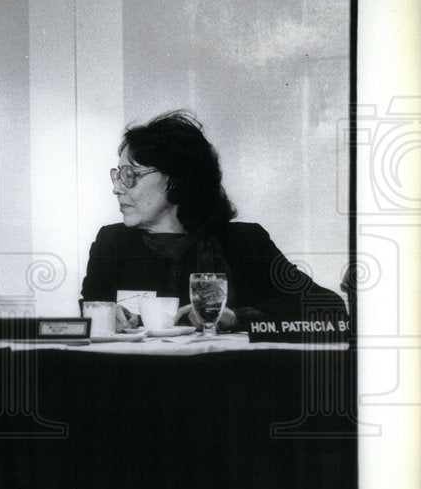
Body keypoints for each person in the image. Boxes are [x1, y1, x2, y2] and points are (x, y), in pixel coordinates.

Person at [80, 111, 347, 331]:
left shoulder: (244, 243)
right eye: (118, 175)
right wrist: (103, 316)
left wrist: (236, 318)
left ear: (175, 179)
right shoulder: (111, 244)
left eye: (130, 175)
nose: (117, 188)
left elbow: (328, 308)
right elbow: (87, 320)